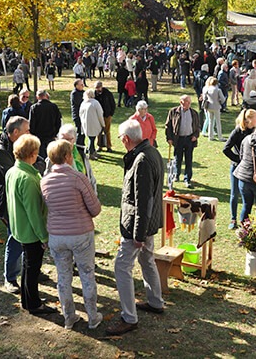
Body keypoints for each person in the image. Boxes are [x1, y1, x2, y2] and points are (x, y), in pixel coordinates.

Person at [106, 120, 164, 336]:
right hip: (147, 223)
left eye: (121, 138)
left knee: (122, 267)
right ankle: (155, 302)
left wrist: (138, 233)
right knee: (147, 259)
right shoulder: (151, 152)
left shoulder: (142, 160)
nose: (121, 141)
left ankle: (129, 317)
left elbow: (144, 200)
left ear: (126, 139)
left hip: (138, 226)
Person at [41, 139, 102, 330]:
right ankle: (93, 316)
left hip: (57, 236)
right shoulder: (78, 178)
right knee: (86, 274)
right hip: (80, 233)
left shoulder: (44, 181)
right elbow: (95, 208)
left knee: (63, 276)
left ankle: (69, 316)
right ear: (68, 157)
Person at [6, 134, 55, 315]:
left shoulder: (13, 171)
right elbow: (34, 212)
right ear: (33, 154)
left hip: (19, 227)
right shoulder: (27, 179)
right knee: (32, 268)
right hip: (31, 231)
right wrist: (44, 236)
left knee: (28, 266)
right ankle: (33, 303)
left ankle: (28, 300)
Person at [0, 116, 43, 293]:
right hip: (9, 203)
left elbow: (39, 161)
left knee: (29, 237)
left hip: (21, 198)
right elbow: (18, 170)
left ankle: (30, 268)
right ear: (15, 133)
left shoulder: (23, 146)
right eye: (26, 130)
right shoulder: (1, 151)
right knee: (15, 238)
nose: (29, 132)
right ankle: (10, 277)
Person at [222, 109, 256, 230]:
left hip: (249, 168)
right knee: (234, 193)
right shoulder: (238, 131)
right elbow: (226, 149)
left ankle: (246, 220)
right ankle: (233, 219)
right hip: (237, 167)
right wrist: (238, 159)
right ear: (249, 119)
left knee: (247, 194)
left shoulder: (255, 131)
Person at [165, 94, 200, 189]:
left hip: (189, 139)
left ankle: (187, 179)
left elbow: (197, 126)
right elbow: (168, 126)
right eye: (187, 102)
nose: (189, 104)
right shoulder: (173, 112)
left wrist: (195, 136)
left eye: (189, 102)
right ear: (181, 102)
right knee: (177, 158)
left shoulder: (194, 113)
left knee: (189, 159)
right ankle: (176, 175)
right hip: (178, 139)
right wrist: (169, 138)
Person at [29, 90, 62, 159]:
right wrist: (55, 133)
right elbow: (58, 122)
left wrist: (33, 134)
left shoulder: (34, 108)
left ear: (37, 97)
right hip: (51, 136)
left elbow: (32, 124)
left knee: (40, 157)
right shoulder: (53, 107)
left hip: (39, 137)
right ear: (46, 96)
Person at [79, 89, 105, 160]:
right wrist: (103, 124)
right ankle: (91, 154)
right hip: (94, 124)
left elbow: (80, 114)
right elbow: (100, 114)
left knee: (91, 138)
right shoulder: (95, 103)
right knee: (92, 139)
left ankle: (93, 152)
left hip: (86, 124)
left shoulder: (83, 103)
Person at [201, 77, 226, 141]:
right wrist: (220, 101)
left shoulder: (207, 89)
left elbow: (204, 98)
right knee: (218, 122)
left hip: (209, 106)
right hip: (216, 107)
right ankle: (220, 136)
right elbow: (223, 99)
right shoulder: (218, 90)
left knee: (210, 121)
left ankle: (210, 136)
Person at [94, 81, 116, 153]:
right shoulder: (94, 94)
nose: (97, 89)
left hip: (107, 115)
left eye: (98, 87)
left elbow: (112, 103)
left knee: (107, 131)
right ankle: (99, 146)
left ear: (101, 87)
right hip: (98, 116)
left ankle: (108, 146)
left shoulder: (108, 93)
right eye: (96, 88)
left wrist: (111, 114)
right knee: (99, 131)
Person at [70, 79, 85, 147]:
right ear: (76, 86)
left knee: (83, 131)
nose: (83, 85)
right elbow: (79, 103)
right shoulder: (74, 93)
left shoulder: (83, 92)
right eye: (81, 84)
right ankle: (79, 145)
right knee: (79, 131)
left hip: (83, 115)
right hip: (77, 115)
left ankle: (82, 144)